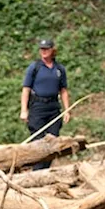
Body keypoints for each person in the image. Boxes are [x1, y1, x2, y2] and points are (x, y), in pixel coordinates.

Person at [20, 39, 70, 167]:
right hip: (38, 107)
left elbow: (63, 90)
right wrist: (24, 110)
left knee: (52, 141)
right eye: (42, 49)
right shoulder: (35, 67)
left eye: (46, 49)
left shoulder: (59, 69)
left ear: (53, 50)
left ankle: (45, 170)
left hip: (53, 107)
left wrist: (66, 110)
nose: (44, 51)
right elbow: (26, 89)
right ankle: (38, 171)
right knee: (38, 141)